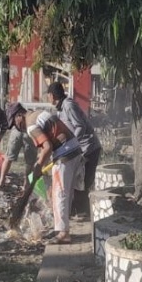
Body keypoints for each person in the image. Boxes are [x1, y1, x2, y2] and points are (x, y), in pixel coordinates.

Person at [26, 108, 82, 244]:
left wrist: (38, 167)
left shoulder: (31, 125)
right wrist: (41, 164)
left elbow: (47, 147)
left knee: (59, 194)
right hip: (75, 150)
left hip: (64, 155)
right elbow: (46, 146)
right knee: (66, 193)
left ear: (18, 118)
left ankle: (63, 233)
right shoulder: (40, 114)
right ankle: (63, 228)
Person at [47, 81, 101, 220]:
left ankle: (83, 213)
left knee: (82, 181)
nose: (48, 99)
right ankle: (74, 211)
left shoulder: (68, 105)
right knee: (75, 180)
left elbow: (80, 126)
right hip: (79, 149)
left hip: (88, 148)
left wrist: (73, 144)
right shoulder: (60, 109)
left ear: (52, 95)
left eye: (48, 96)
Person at [0, 102, 37, 188]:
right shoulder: (29, 114)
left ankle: (1, 181)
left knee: (8, 158)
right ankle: (27, 183)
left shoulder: (16, 117)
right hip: (28, 132)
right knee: (30, 162)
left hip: (19, 132)